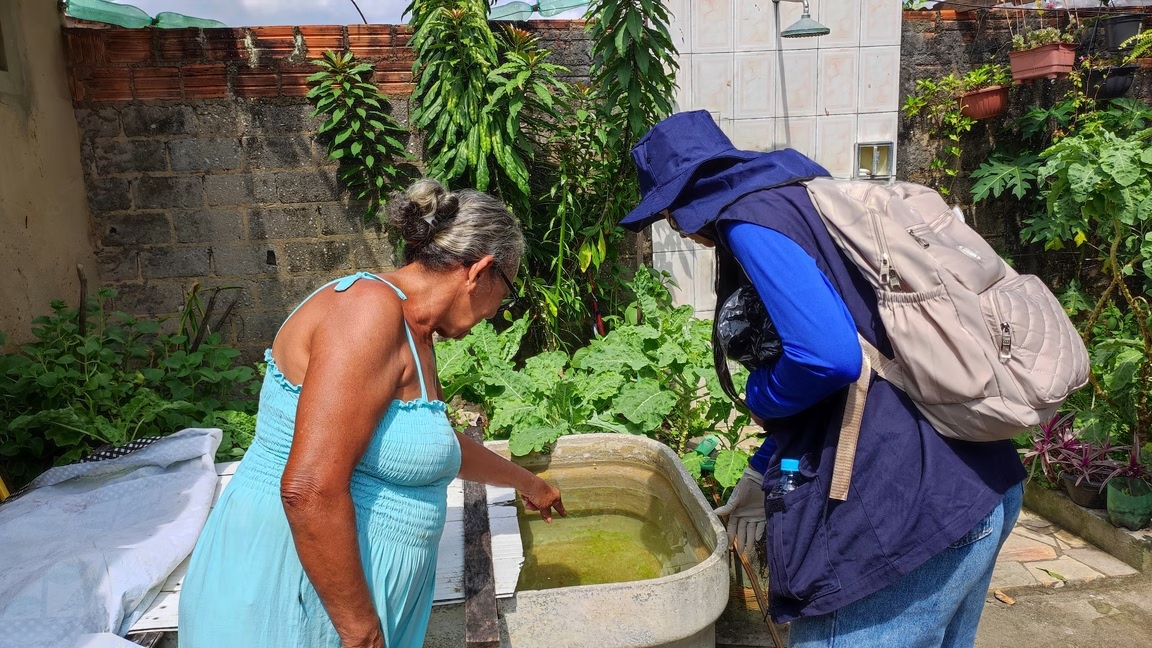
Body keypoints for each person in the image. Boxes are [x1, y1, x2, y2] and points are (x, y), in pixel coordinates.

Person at [620, 111, 1026, 648]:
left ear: (686, 200)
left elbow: (830, 358)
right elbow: (856, 370)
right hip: (976, 484)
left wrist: (759, 393)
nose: (678, 229)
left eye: (670, 215)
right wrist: (763, 471)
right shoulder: (809, 202)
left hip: (909, 511)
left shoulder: (748, 219)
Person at [178, 179, 566, 648]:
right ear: (480, 271)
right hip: (294, 591)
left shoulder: (415, 332)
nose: (499, 309)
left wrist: (530, 483)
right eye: (506, 289)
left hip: (345, 604)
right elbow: (309, 489)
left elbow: (427, 446)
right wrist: (361, 634)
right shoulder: (367, 311)